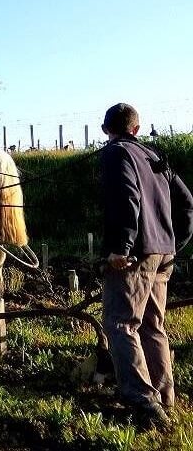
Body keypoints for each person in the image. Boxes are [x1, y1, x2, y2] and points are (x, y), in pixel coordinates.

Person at [99, 103, 193, 429]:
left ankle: (144, 405)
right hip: (163, 252)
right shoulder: (155, 158)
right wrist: (173, 244)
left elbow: (126, 198)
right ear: (136, 129)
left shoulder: (115, 154)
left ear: (105, 129)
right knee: (153, 325)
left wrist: (120, 248)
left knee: (120, 323)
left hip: (135, 255)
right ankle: (166, 396)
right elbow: (187, 202)